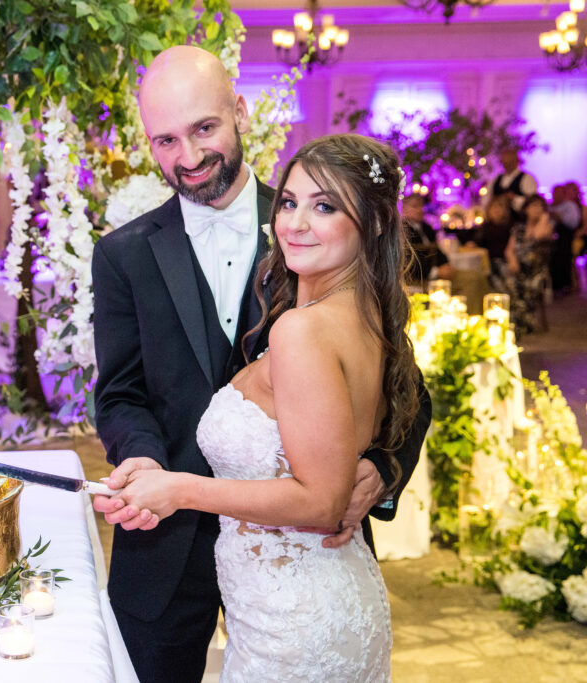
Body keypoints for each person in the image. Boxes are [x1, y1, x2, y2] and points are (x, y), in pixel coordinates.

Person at [91, 45, 430, 683]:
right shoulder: (122, 257)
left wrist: (383, 468)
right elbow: (119, 393)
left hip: (301, 552)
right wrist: (141, 458)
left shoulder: (317, 226)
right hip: (169, 547)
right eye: (165, 140)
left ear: (240, 111)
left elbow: (405, 385)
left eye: (204, 129)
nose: (187, 158)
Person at [507, 194, 553, 335]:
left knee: (525, 284)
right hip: (519, 268)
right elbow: (509, 249)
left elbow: (537, 236)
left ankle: (524, 323)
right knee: (508, 280)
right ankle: (517, 321)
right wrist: (513, 261)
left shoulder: (547, 226)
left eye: (540, 206)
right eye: (533, 206)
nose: (536, 209)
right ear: (525, 209)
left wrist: (543, 218)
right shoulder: (518, 228)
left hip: (537, 270)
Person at [402, 194, 454, 286]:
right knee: (472, 281)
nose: (420, 209)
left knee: (476, 277)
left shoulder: (427, 228)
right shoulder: (402, 230)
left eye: (422, 205)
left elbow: (437, 250)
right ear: (404, 209)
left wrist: (446, 264)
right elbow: (410, 261)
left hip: (437, 275)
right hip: (418, 280)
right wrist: (436, 272)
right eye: (415, 206)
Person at [483, 147, 537, 216]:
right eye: (504, 163)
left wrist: (514, 198)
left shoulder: (527, 178)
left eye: (510, 162)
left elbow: (533, 202)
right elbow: (486, 200)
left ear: (517, 161)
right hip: (498, 221)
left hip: (518, 220)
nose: (507, 166)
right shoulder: (495, 180)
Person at [476, 194, 515, 291]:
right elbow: (478, 243)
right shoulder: (485, 227)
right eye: (494, 207)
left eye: (500, 207)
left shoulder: (509, 227)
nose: (496, 210)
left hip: (503, 261)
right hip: (487, 262)